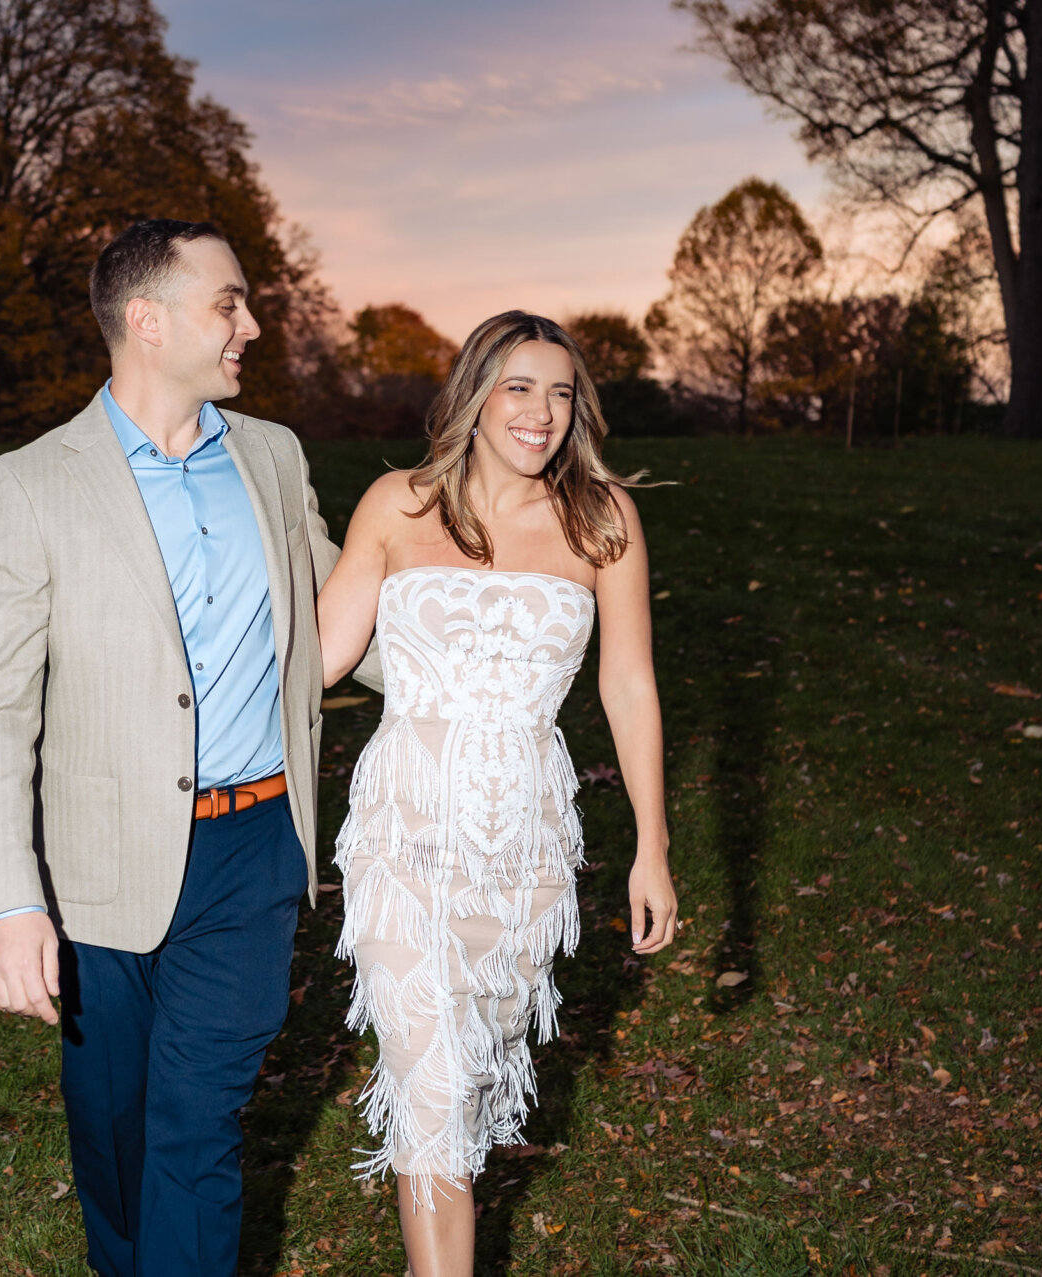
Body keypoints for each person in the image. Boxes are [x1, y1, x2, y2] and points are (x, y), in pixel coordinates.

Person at [0, 217, 375, 1277]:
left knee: (196, 1129)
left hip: (253, 848)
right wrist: (9, 901)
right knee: (118, 1132)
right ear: (147, 321)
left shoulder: (273, 457)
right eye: (229, 301)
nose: (254, 323)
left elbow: (340, 618)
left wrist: (481, 647)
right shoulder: (33, 483)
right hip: (96, 867)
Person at [316, 310, 678, 1277]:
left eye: (561, 393)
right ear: (474, 395)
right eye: (519, 387)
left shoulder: (601, 518)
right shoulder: (397, 504)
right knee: (428, 1089)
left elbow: (629, 684)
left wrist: (653, 846)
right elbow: (316, 659)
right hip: (405, 836)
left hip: (526, 848)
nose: (542, 413)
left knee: (468, 1085)